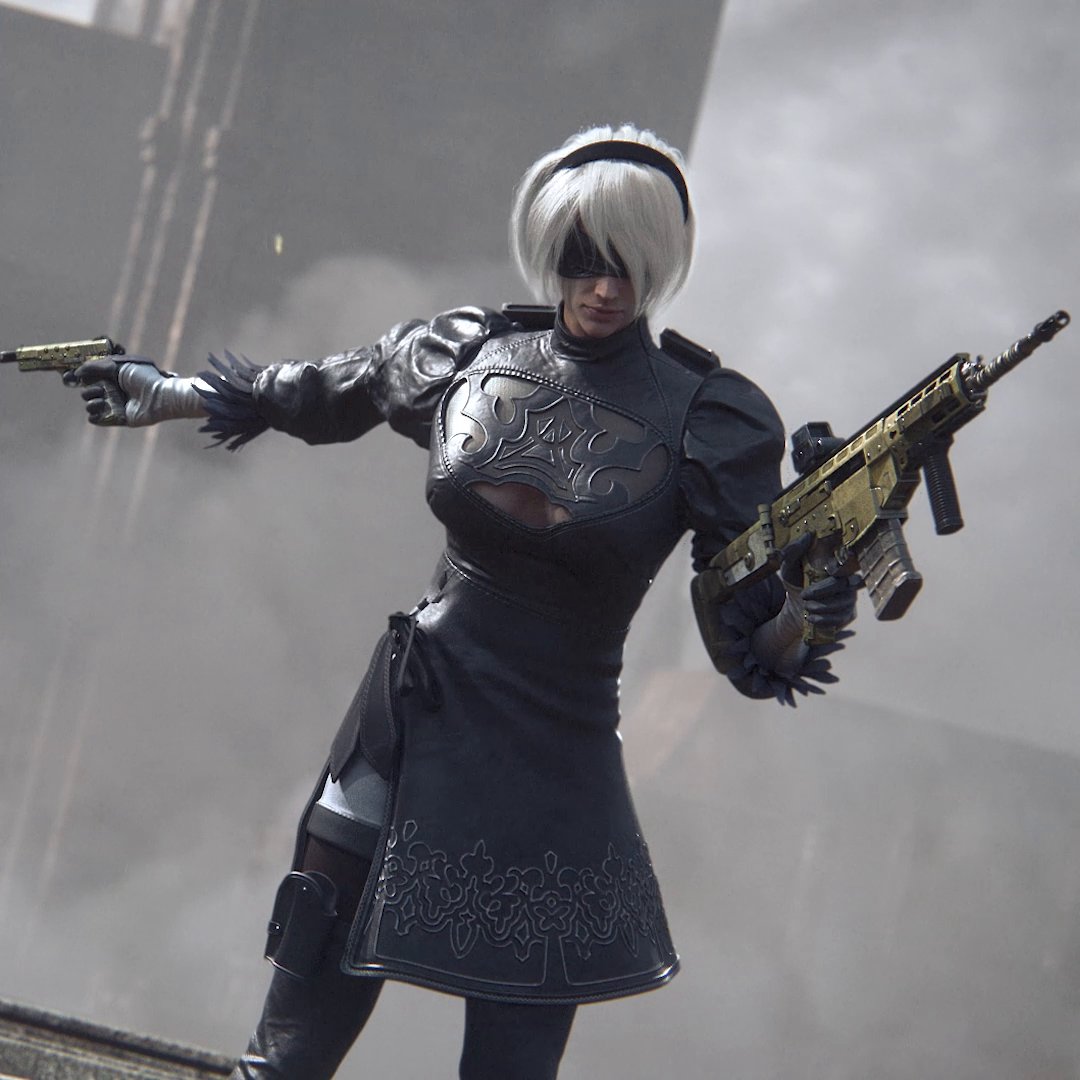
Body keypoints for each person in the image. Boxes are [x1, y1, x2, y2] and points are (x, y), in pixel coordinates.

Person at [70, 124, 858, 1079]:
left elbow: (751, 633)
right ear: (553, 248)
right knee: (284, 1051)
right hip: (412, 713)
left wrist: (818, 593)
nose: (606, 287)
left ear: (660, 265)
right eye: (586, 259)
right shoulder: (468, 352)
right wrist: (168, 394)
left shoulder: (708, 416)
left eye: (629, 265)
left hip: (556, 758)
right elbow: (327, 390)